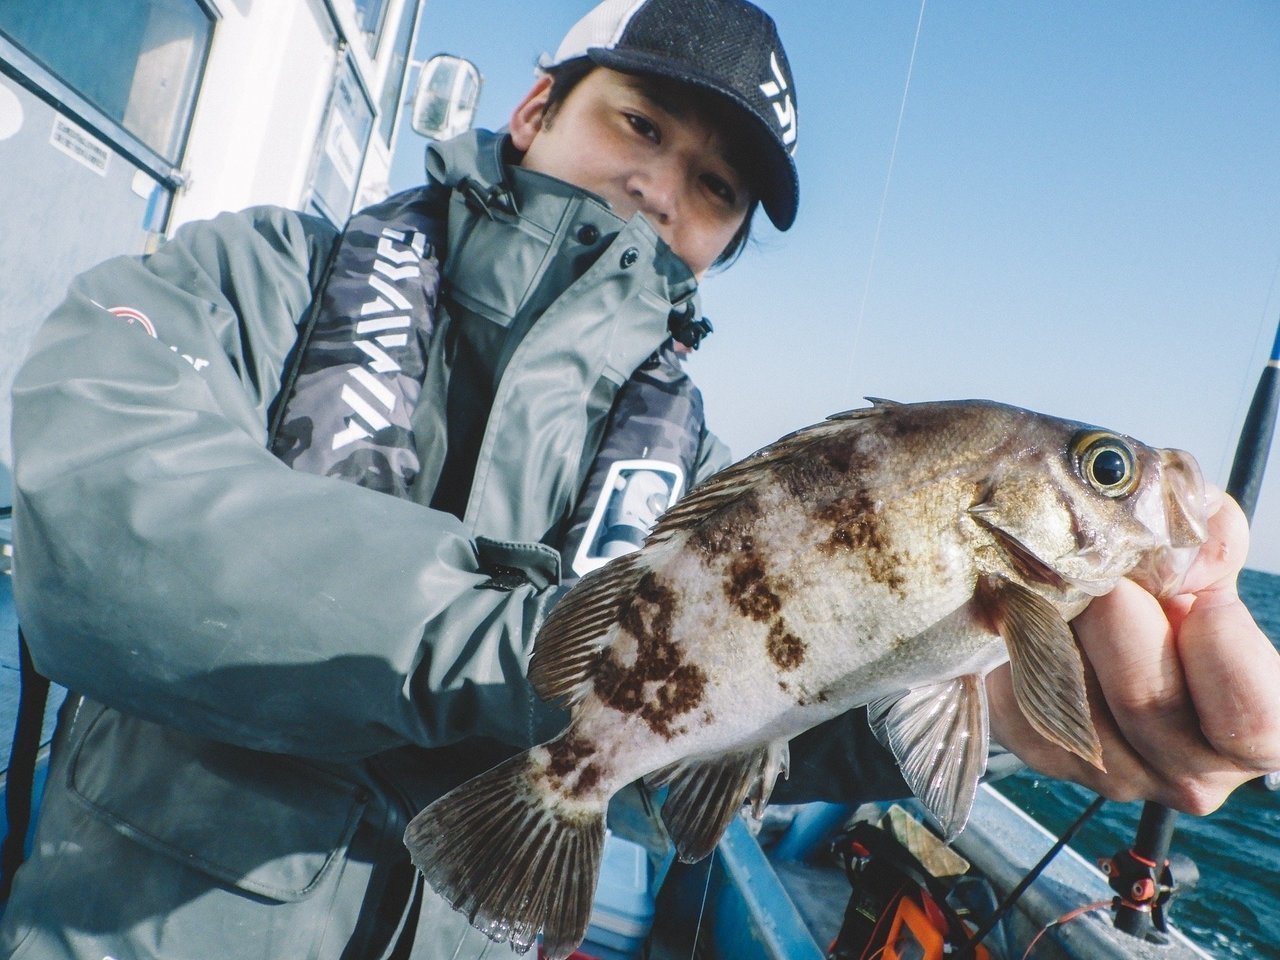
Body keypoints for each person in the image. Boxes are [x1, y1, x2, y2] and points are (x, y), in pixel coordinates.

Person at [2, 1, 1277, 957]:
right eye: (639, 122)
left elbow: (766, 696)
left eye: (715, 184)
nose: (660, 188)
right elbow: (99, 523)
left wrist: (997, 717)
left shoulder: (697, 472)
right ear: (533, 109)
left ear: (726, 239)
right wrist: (565, 652)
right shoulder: (254, 275)